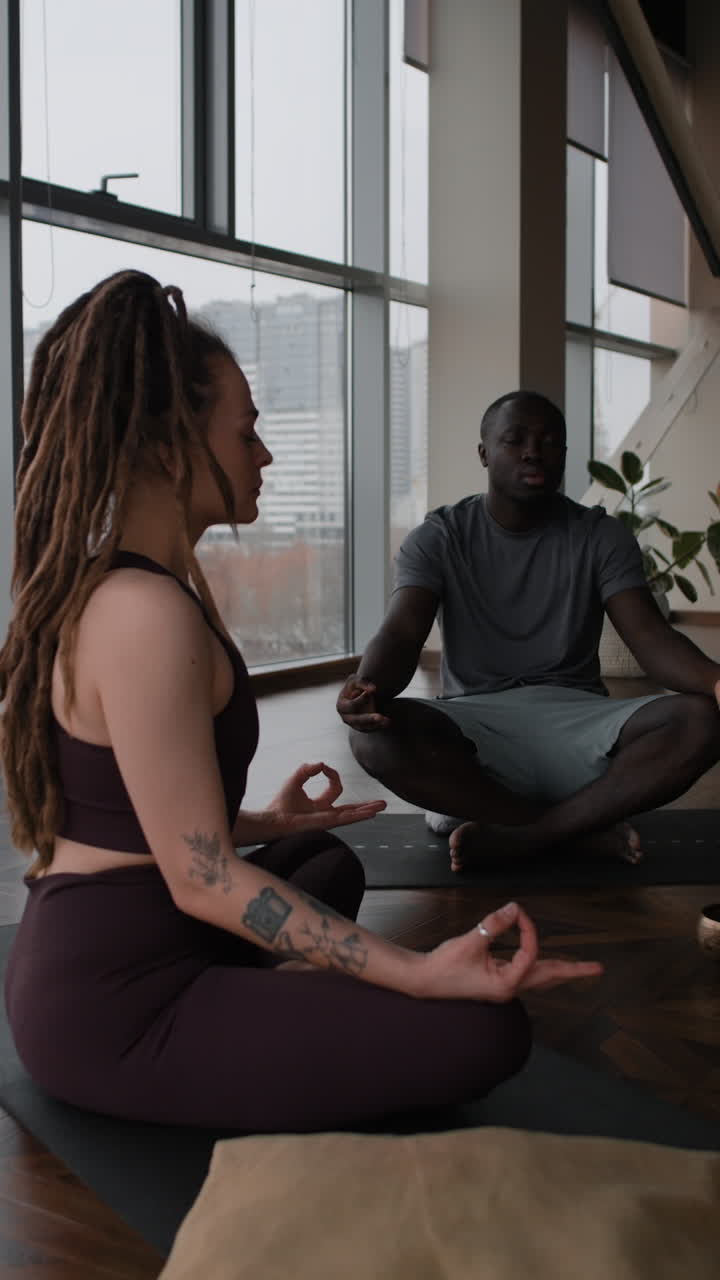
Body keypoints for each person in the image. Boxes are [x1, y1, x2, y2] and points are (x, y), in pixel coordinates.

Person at [0, 275, 600, 1134]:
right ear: (173, 442)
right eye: (245, 432)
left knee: (326, 862)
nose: (265, 454)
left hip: (133, 929)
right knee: (483, 1032)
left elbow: (124, 813)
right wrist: (417, 970)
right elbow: (200, 880)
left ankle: (264, 995)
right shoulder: (143, 613)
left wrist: (259, 826)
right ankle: (251, 1005)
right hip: (119, 1006)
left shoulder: (135, 588)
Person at [337, 390, 720, 874]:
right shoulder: (439, 536)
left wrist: (715, 680)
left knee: (702, 719)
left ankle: (527, 834)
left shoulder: (601, 536)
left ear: (563, 455)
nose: (532, 451)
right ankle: (577, 827)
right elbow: (400, 632)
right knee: (373, 740)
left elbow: (651, 638)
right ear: (484, 453)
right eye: (514, 440)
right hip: (475, 728)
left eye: (549, 441)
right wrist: (367, 687)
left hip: (581, 724)